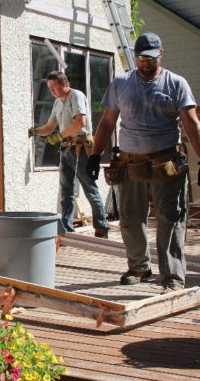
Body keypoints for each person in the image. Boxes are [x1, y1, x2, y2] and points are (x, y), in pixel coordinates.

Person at [86, 32, 200, 294]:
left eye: (151, 56)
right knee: (130, 217)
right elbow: (107, 122)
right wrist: (95, 155)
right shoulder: (121, 84)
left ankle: (173, 276)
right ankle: (139, 267)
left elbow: (192, 124)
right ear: (135, 57)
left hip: (167, 162)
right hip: (130, 162)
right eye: (141, 57)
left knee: (170, 218)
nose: (146, 62)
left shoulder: (176, 84)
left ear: (161, 54)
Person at [29, 71, 109, 238]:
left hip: (81, 148)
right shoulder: (58, 102)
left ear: (63, 83)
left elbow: (80, 123)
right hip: (67, 149)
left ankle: (101, 227)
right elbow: (51, 126)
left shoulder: (76, 96)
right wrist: (35, 131)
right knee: (66, 191)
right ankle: (66, 228)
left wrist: (59, 136)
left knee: (89, 188)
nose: (51, 92)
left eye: (53, 87)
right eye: (49, 88)